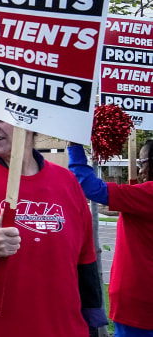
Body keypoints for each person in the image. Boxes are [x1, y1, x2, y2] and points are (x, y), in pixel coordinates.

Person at [0, 115, 105, 336]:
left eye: (1, 119)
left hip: (62, 328)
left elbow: (86, 263)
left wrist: (91, 324)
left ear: (31, 122)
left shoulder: (67, 183)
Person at [68, 140, 153, 335]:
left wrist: (74, 147)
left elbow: (89, 186)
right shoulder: (142, 197)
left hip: (139, 304)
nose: (140, 170)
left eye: (142, 162)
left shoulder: (147, 195)